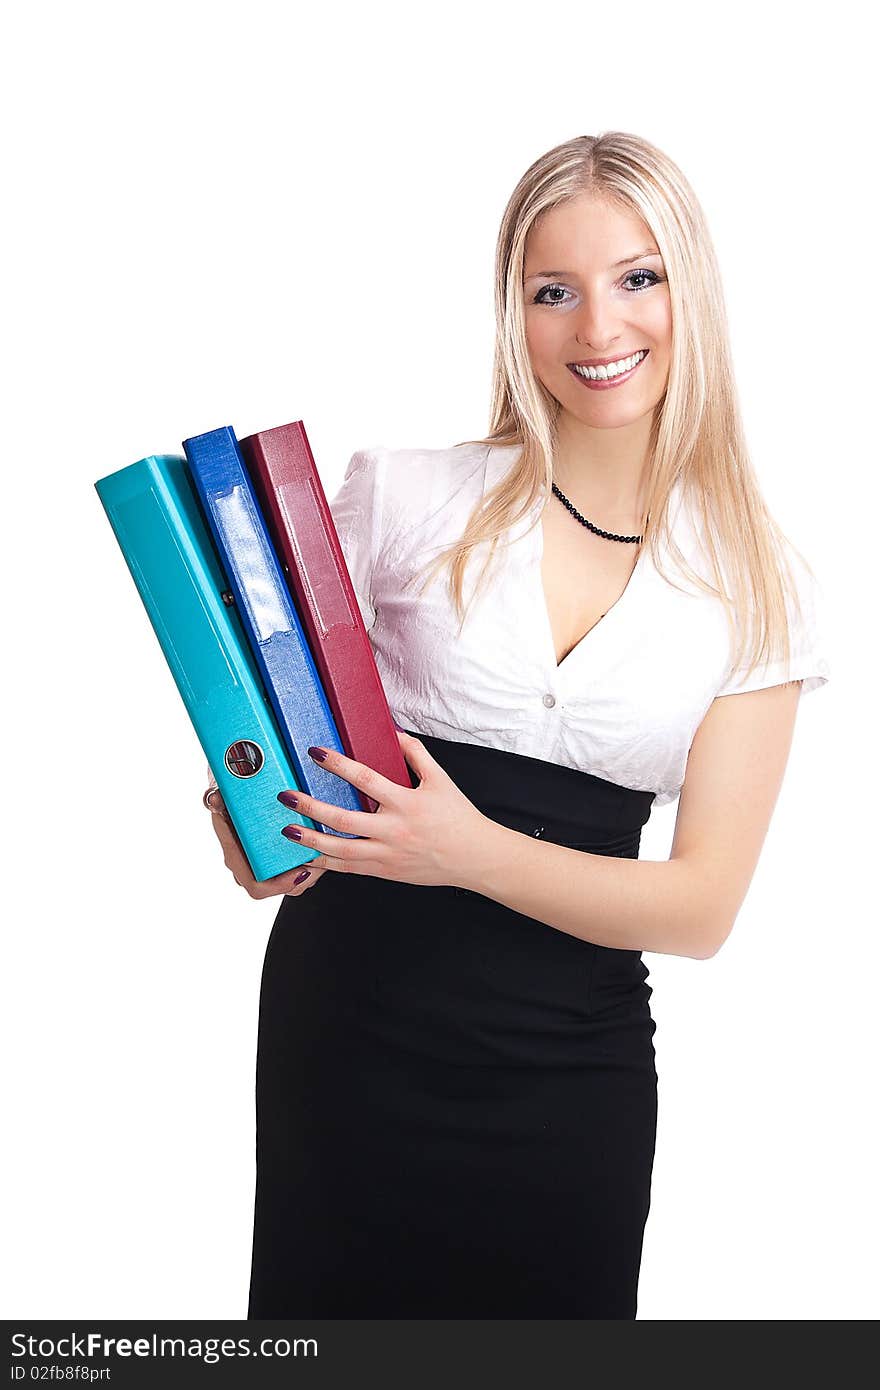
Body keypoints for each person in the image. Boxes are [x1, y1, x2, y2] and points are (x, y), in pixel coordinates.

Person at [203, 131, 830, 1319]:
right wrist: (257, 820)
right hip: (350, 1043)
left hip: (567, 1081)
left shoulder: (761, 582)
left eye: (636, 278)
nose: (598, 328)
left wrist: (466, 852)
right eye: (555, 291)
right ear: (514, 312)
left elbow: (701, 908)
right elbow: (292, 741)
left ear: (688, 287)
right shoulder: (400, 494)